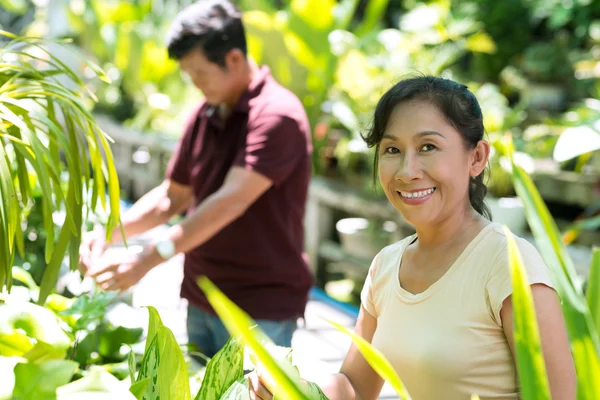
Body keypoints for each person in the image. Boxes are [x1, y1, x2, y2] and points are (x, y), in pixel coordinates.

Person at [249, 76, 576, 399]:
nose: (407, 170)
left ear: (476, 158)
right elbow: (355, 386)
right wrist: (292, 389)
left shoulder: (508, 264)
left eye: (428, 147)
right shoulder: (386, 266)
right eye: (392, 149)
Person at [79, 0, 314, 360]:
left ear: (234, 59)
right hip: (201, 295)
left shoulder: (277, 115)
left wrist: (146, 259)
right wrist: (110, 233)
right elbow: (171, 198)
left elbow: (229, 202)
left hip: (259, 307)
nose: (194, 83)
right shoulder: (204, 114)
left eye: (199, 73)